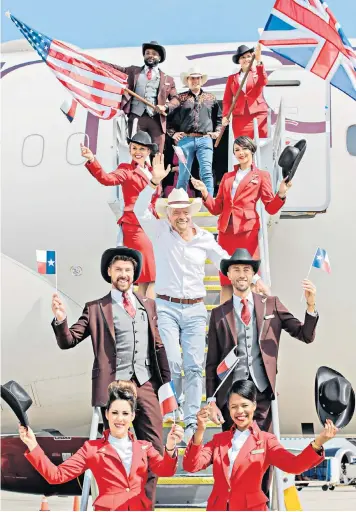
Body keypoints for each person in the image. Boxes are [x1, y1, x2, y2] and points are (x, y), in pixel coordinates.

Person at [133, 155, 268, 443]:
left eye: (184, 211)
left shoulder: (204, 238)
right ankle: (173, 409)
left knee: (194, 365)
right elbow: (136, 210)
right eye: (175, 211)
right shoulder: (160, 232)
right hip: (167, 306)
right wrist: (154, 182)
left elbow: (226, 260)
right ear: (168, 214)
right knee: (171, 360)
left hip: (194, 309)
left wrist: (254, 280)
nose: (180, 216)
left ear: (190, 213)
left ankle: (192, 418)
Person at [51, 247, 171, 504]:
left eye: (128, 270)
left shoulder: (147, 305)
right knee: (113, 453)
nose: (124, 274)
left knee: (154, 449)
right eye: (119, 270)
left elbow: (158, 345)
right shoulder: (96, 308)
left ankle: (143, 505)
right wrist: (61, 320)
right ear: (109, 272)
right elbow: (69, 341)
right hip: (114, 388)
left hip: (146, 383)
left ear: (134, 274)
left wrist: (167, 385)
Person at [20, 381, 184, 511]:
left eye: (125, 413)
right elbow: (56, 475)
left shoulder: (144, 447)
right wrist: (33, 445)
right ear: (106, 414)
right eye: (114, 413)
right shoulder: (92, 449)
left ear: (133, 416)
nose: (120, 419)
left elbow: (166, 471)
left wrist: (169, 447)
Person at [205, 248, 318, 435]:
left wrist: (311, 305)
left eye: (246, 270)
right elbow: (211, 362)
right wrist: (211, 400)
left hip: (262, 394)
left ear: (253, 274)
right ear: (228, 274)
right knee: (235, 454)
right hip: (231, 398)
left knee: (265, 452)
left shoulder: (271, 304)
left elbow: (304, 335)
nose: (242, 275)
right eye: (237, 269)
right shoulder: (218, 313)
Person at [183, 380, 337, 511]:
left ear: (254, 405)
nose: (240, 411)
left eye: (244, 405)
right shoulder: (219, 440)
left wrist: (318, 443)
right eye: (234, 406)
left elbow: (294, 465)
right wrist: (200, 431)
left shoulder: (266, 441)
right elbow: (191, 466)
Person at [192, 136, 291, 303]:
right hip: (226, 232)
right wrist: (204, 192)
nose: (240, 153)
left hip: (247, 231)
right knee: (226, 280)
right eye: (236, 150)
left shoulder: (261, 176)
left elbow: (270, 207)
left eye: (244, 148)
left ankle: (248, 319)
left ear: (251, 150)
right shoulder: (227, 177)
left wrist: (281, 194)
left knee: (247, 277)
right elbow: (217, 208)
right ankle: (225, 324)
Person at [81, 131, 160, 298]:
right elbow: (107, 179)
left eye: (142, 149)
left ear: (148, 152)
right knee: (148, 275)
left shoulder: (153, 171)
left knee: (149, 276)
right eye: (134, 148)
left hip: (150, 224)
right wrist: (92, 160)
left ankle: (146, 314)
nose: (138, 152)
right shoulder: (126, 170)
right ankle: (147, 316)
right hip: (135, 225)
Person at [102, 41, 177, 153]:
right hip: (137, 117)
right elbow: (116, 69)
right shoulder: (133, 71)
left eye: (154, 53)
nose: (150, 55)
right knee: (136, 149)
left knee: (157, 153)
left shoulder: (168, 79)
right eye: (147, 53)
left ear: (159, 57)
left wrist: (165, 107)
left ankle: (155, 170)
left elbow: (176, 99)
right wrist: (98, 63)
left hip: (156, 119)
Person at [165, 66, 222, 196]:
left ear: (201, 80)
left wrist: (217, 132)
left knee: (206, 171)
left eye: (197, 78)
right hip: (185, 139)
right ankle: (180, 202)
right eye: (192, 78)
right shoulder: (180, 98)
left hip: (205, 139)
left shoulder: (211, 98)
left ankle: (209, 201)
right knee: (183, 172)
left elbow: (219, 118)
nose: (195, 80)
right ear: (188, 80)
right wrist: (173, 133)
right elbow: (168, 116)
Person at [222, 43, 268, 139]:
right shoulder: (232, 78)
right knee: (243, 146)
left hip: (258, 115)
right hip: (240, 118)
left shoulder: (257, 72)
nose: (246, 59)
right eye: (243, 57)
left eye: (248, 56)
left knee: (260, 146)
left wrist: (259, 60)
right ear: (239, 60)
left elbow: (263, 81)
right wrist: (225, 115)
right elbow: (227, 100)